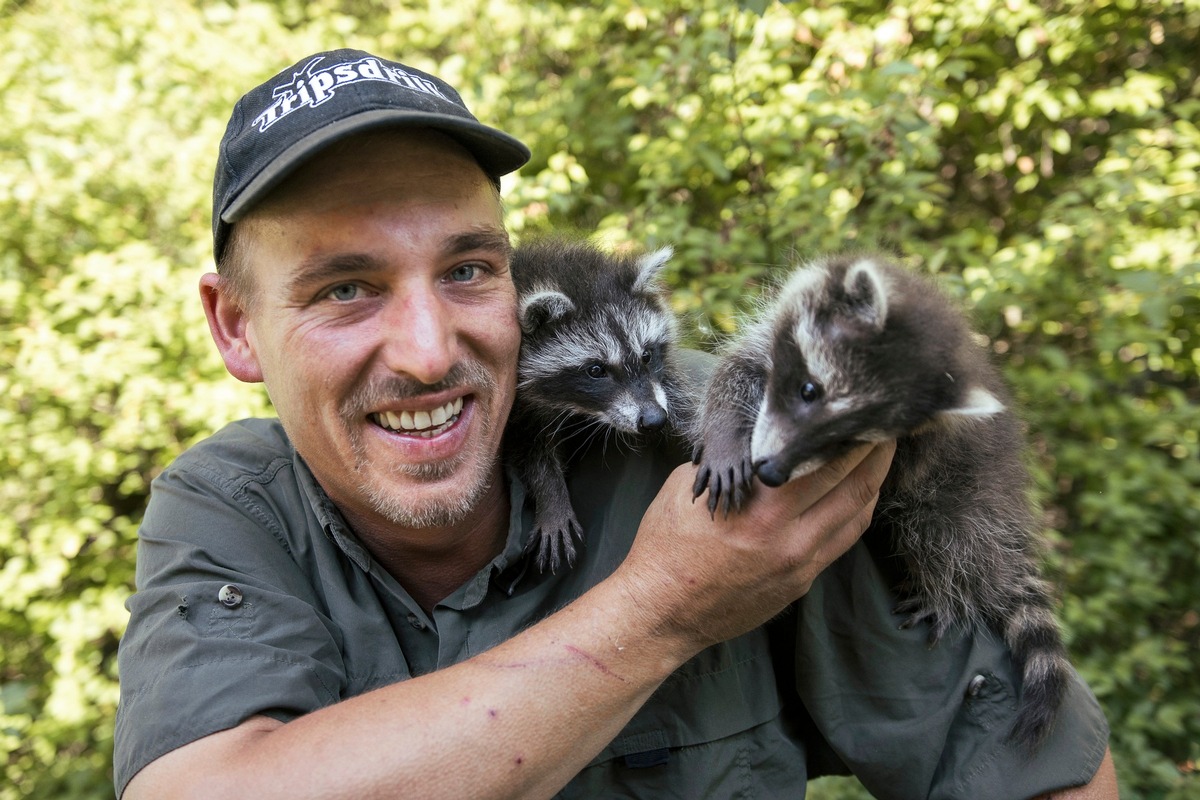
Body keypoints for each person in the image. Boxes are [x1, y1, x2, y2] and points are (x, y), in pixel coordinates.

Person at [114, 49, 1116, 799]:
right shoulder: (229, 507)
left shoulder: (719, 435)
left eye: (468, 269)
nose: (426, 348)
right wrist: (669, 603)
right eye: (345, 287)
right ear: (236, 325)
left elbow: (1044, 762)